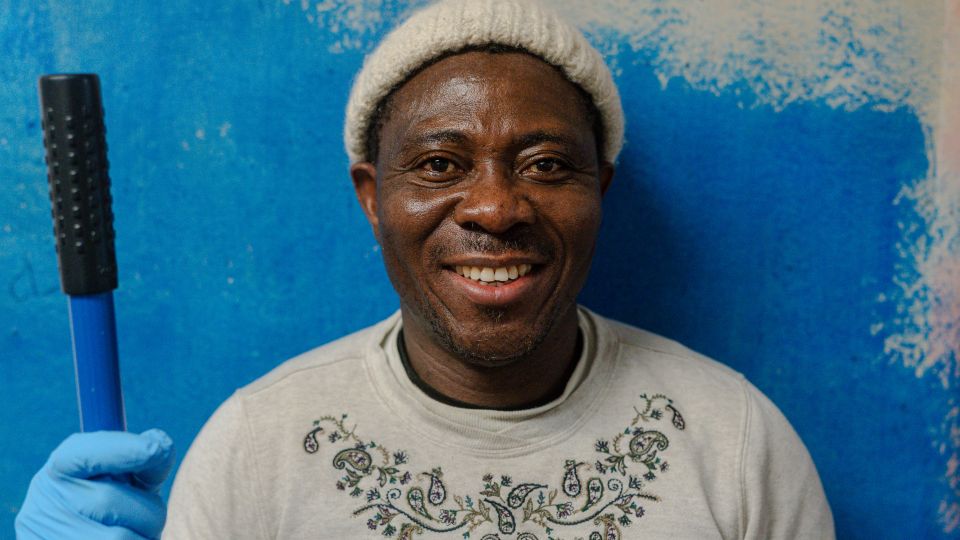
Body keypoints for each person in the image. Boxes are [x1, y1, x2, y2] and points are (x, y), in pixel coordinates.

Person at [16, 1, 835, 538]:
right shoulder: (254, 450)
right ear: (374, 198)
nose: (496, 207)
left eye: (547, 164)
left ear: (600, 190)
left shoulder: (736, 445)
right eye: (441, 164)